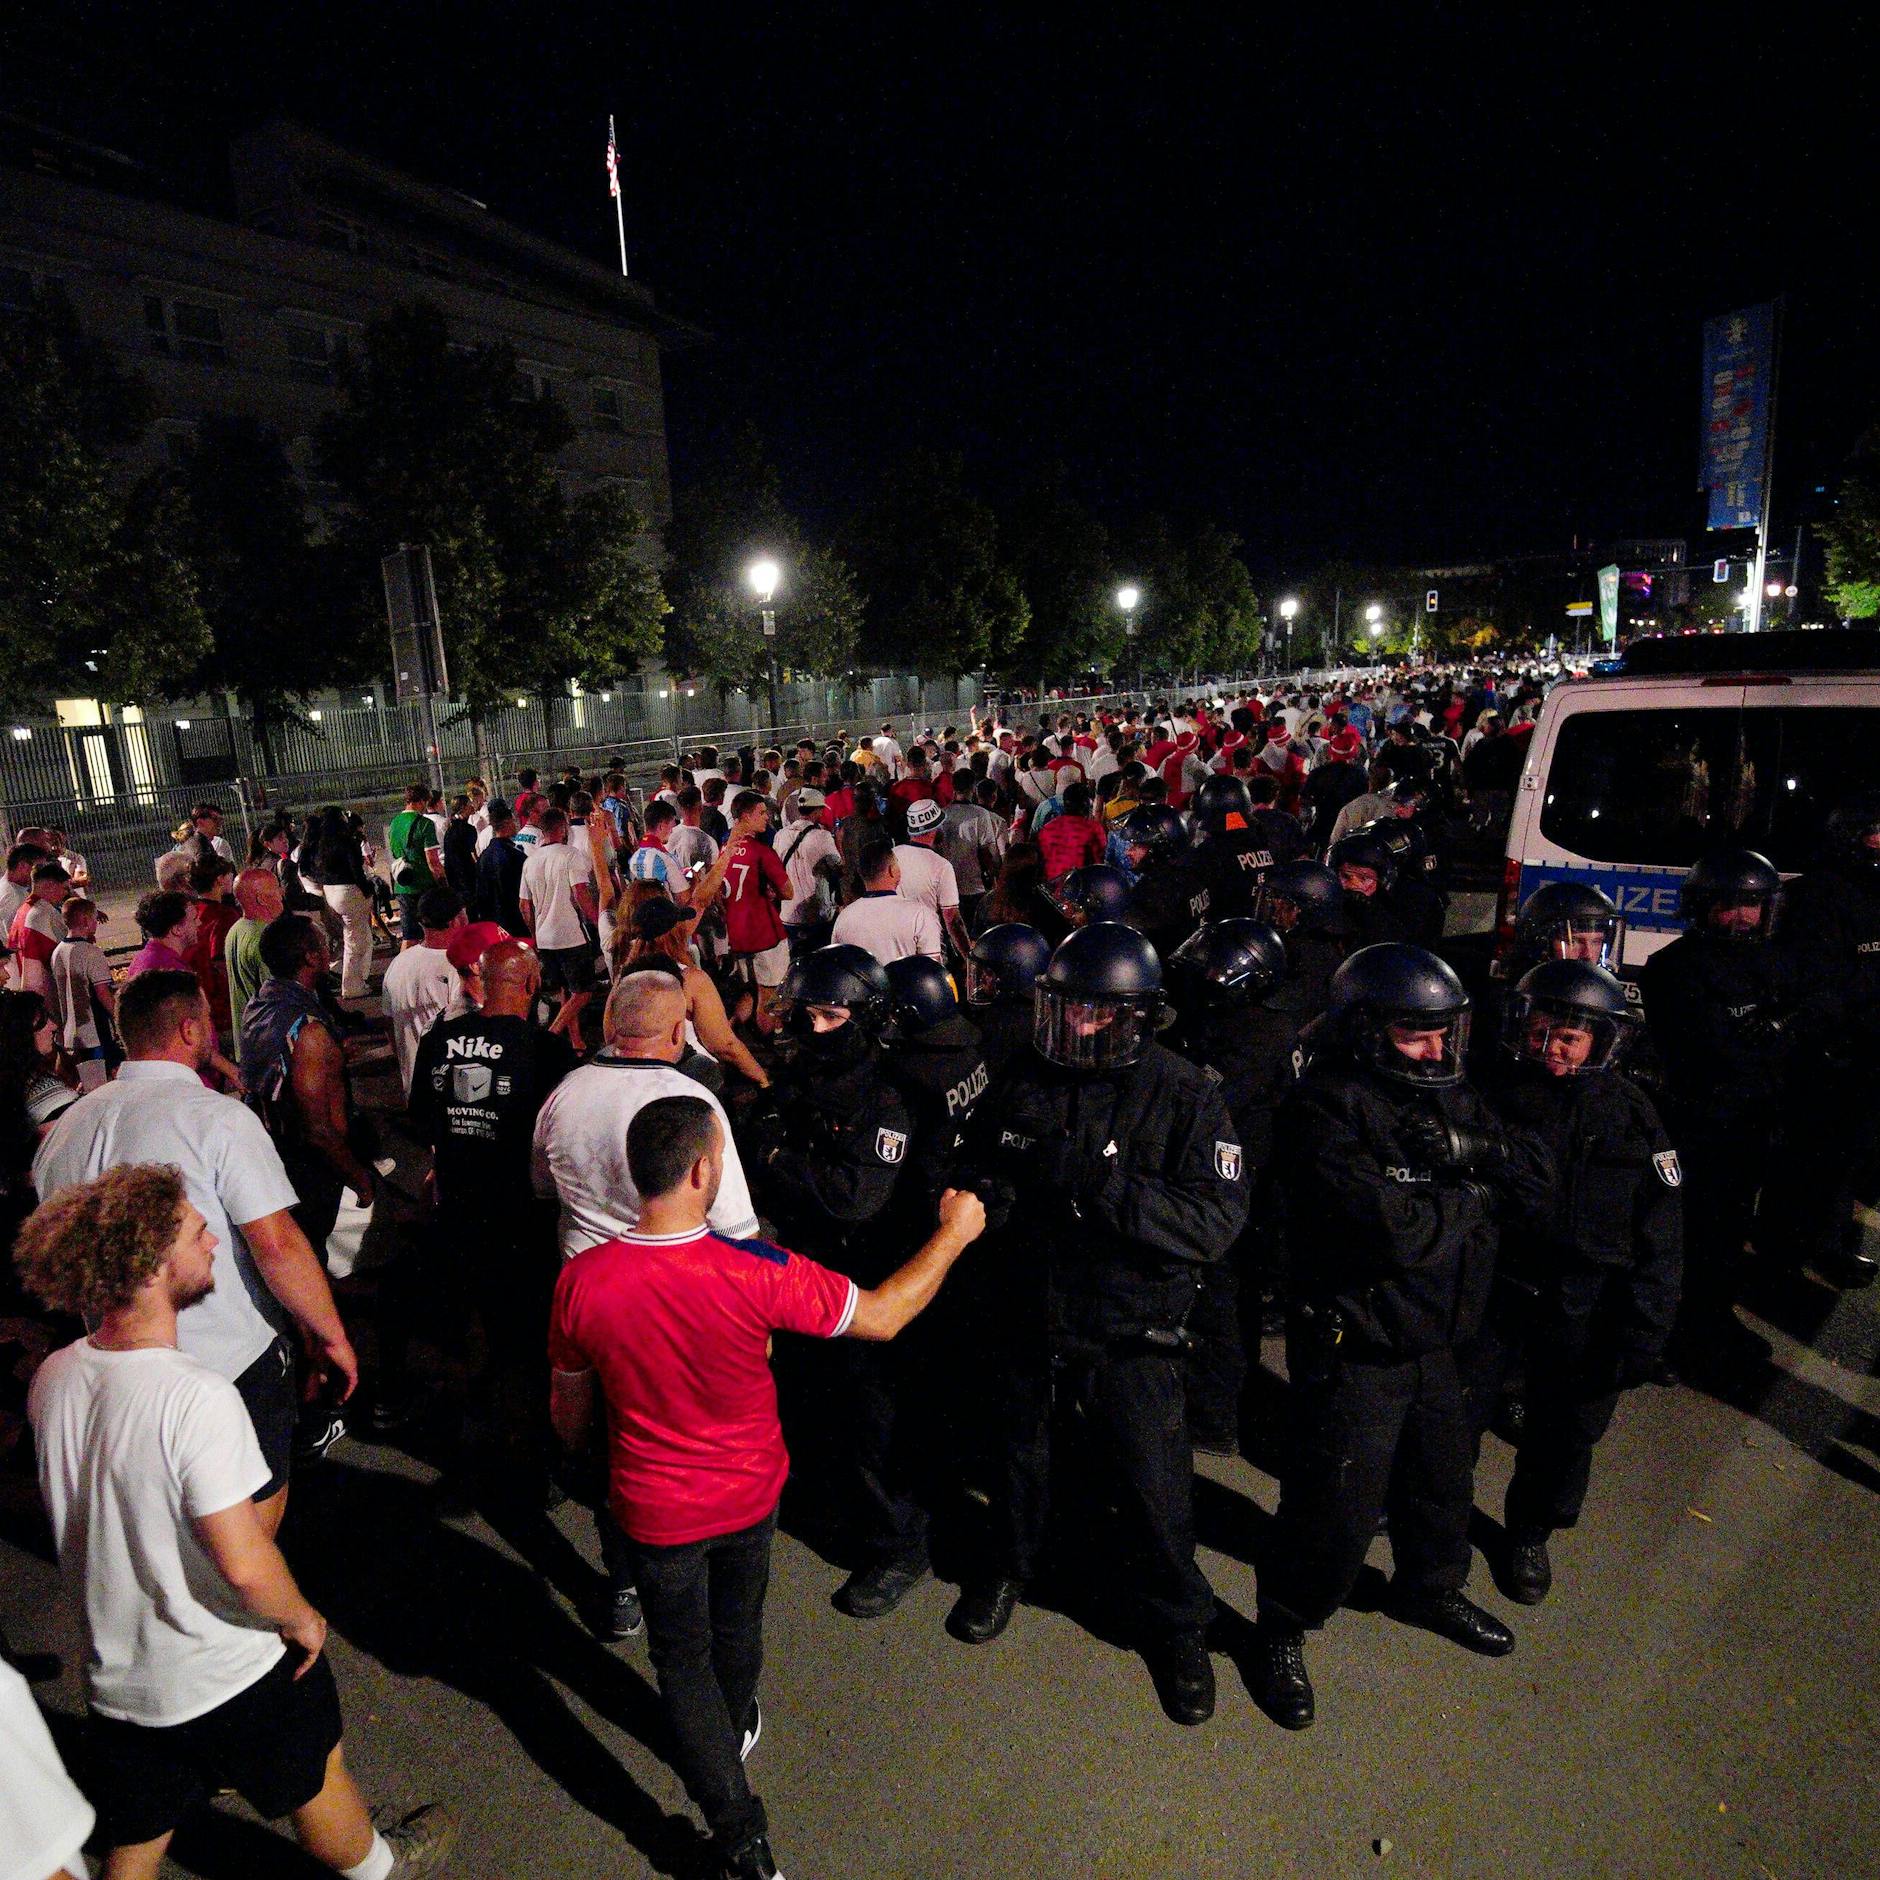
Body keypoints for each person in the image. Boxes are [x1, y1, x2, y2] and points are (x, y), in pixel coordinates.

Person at [551, 1095, 982, 1880]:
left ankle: (737, 1828)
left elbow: (570, 1412)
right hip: (749, 1499)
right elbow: (883, 1315)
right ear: (702, 1171)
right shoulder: (754, 1271)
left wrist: (591, 1466)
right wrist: (953, 1234)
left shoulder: (583, 1282)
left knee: (679, 1660)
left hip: (654, 1512)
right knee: (737, 1627)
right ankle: (731, 1747)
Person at [20, 1165, 454, 1880]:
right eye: (197, 1232)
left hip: (122, 1679)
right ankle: (380, 1865)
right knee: (316, 1774)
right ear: (152, 1267)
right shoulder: (196, 1398)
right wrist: (301, 1618)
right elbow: (246, 1564)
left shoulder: (57, 1375)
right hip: (225, 1671)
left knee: (141, 1828)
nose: (215, 1241)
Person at [1250, 944, 1553, 1731]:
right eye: (1415, 1033)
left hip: (1442, 1340)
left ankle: (1430, 1587)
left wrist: (1484, 1154)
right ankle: (1284, 1623)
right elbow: (1395, 1232)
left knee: (1442, 1484)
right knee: (1335, 1505)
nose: (1435, 1049)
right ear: (1364, 1029)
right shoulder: (1325, 1109)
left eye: (1443, 1032)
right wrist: (1477, 1195)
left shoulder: (1452, 1092)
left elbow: (1538, 1185)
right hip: (1360, 1347)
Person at [952, 924, 1249, 1726]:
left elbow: (1214, 1223)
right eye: (1067, 1008)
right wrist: (990, 1194)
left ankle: (1179, 1624)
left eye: (1097, 1011)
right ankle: (1011, 1567)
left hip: (1130, 1326)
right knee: (1019, 1461)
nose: (1079, 1026)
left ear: (1137, 1015)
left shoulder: (1185, 1093)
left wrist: (1103, 1187)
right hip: (1031, 1308)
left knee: (1156, 1486)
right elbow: (979, 1159)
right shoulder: (1024, 1073)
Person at [1471, 960, 1682, 1602]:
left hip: (1585, 1303)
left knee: (1564, 1434)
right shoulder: (1492, 1094)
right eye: (1541, 1032)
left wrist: (1644, 1332)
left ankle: (1530, 1531)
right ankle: (1430, 1517)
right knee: (1452, 1418)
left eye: (1569, 1038)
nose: (1551, 1049)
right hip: (1496, 1292)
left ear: (1601, 1042)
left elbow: (1662, 1234)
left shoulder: (1630, 1114)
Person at [409, 938, 573, 1489]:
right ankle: (534, 1457)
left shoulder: (439, 1039)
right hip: (523, 1215)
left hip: (457, 1206)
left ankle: (472, 1437)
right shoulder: (545, 1051)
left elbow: (422, 1119)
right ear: (530, 984)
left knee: (469, 1326)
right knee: (528, 1337)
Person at [1640, 849, 1792, 1379]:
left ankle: (1714, 1319)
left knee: (1731, 1231)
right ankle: (1678, 1335)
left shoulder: (1772, 959)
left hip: (1755, 1121)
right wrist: (1772, 1035)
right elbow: (1708, 1050)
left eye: (1752, 905)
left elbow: (1806, 1022)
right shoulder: (1674, 967)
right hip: (1703, 1126)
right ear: (1702, 906)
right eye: (1730, 905)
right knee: (1695, 1235)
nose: (1742, 917)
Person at [1163, 918, 1304, 1451]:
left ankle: (1214, 1417)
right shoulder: (1258, 1022)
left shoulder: (1255, 1036)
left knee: (1219, 1301)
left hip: (1238, 1189)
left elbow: (1200, 1099)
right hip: (1248, 1184)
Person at [533, 970, 761, 1263]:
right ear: (678, 1032)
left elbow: (543, 1188)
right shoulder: (695, 1103)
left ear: (613, 1025)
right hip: (665, 1280)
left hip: (584, 1278)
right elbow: (737, 1231)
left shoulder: (563, 1093)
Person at [1768, 791, 1880, 1288]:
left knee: (1846, 1158)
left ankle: (1822, 1242)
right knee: (1811, 1154)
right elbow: (1816, 980)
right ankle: (1786, 1252)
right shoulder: (1817, 896)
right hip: (1830, 1051)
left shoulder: (1869, 890)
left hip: (1865, 1049)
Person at [241, 917, 379, 1277]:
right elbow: (317, 1130)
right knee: (318, 1259)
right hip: (310, 1168)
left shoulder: (261, 1002)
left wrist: (330, 1057)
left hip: (274, 1151)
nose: (329, 946)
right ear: (310, 957)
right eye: (323, 943)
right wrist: (360, 1180)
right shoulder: (308, 1032)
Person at [613, 888, 771, 1091]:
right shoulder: (689, 979)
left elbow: (611, 1035)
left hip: (638, 1084)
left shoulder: (623, 980)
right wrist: (761, 1077)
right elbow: (725, 1046)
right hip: (688, 1081)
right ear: (675, 932)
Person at [519, 808, 601, 1052]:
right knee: (584, 991)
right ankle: (550, 1037)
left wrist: (535, 935)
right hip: (570, 935)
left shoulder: (530, 861)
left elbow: (524, 905)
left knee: (567, 988)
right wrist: (598, 922)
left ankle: (576, 1041)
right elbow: (581, 893)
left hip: (545, 938)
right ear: (563, 828)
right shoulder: (570, 855)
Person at [720, 791, 795, 1034]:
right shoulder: (762, 852)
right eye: (761, 813)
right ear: (745, 816)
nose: (767, 817)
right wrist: (773, 893)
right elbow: (788, 892)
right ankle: (770, 1042)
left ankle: (728, 1033)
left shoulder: (724, 850)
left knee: (749, 991)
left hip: (737, 932)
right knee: (768, 994)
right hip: (764, 933)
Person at [381, 886, 464, 1097]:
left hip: (413, 1086)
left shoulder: (398, 963)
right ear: (456, 921)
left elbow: (389, 1023)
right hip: (452, 1090)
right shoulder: (457, 967)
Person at [832, 836, 944, 965]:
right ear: (891, 870)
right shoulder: (920, 915)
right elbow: (932, 969)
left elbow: (839, 966)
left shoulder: (844, 918)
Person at [1120, 804, 1212, 959]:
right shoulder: (1195, 870)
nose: (1128, 852)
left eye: (1138, 845)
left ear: (1160, 847)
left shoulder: (1153, 891)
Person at [963, 922, 1053, 1080]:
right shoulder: (1043, 1010)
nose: (982, 978)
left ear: (1010, 975)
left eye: (988, 972)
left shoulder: (1001, 1025)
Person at [895, 798, 972, 964]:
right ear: (936, 828)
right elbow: (952, 920)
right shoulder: (941, 866)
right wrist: (969, 958)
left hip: (896, 946)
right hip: (928, 949)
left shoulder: (892, 855)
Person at [310, 808, 376, 1001]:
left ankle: (354, 979)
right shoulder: (346, 841)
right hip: (349, 892)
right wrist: (368, 889)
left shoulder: (320, 844)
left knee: (353, 936)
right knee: (356, 940)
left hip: (331, 892)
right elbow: (356, 871)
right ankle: (352, 985)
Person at [225, 865, 286, 1043]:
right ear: (262, 899)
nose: (282, 893)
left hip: (248, 1039)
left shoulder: (235, 930)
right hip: (269, 1042)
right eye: (276, 888)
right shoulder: (266, 939)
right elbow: (278, 998)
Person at [8, 861, 70, 1002]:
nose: (66, 893)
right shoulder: (45, 913)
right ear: (50, 885)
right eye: (65, 888)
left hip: (22, 989)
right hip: (42, 995)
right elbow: (64, 956)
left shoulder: (22, 910)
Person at [476, 800, 528, 936]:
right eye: (514, 821)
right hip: (514, 922)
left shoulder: (484, 857)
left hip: (492, 923)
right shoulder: (516, 856)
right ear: (508, 823)